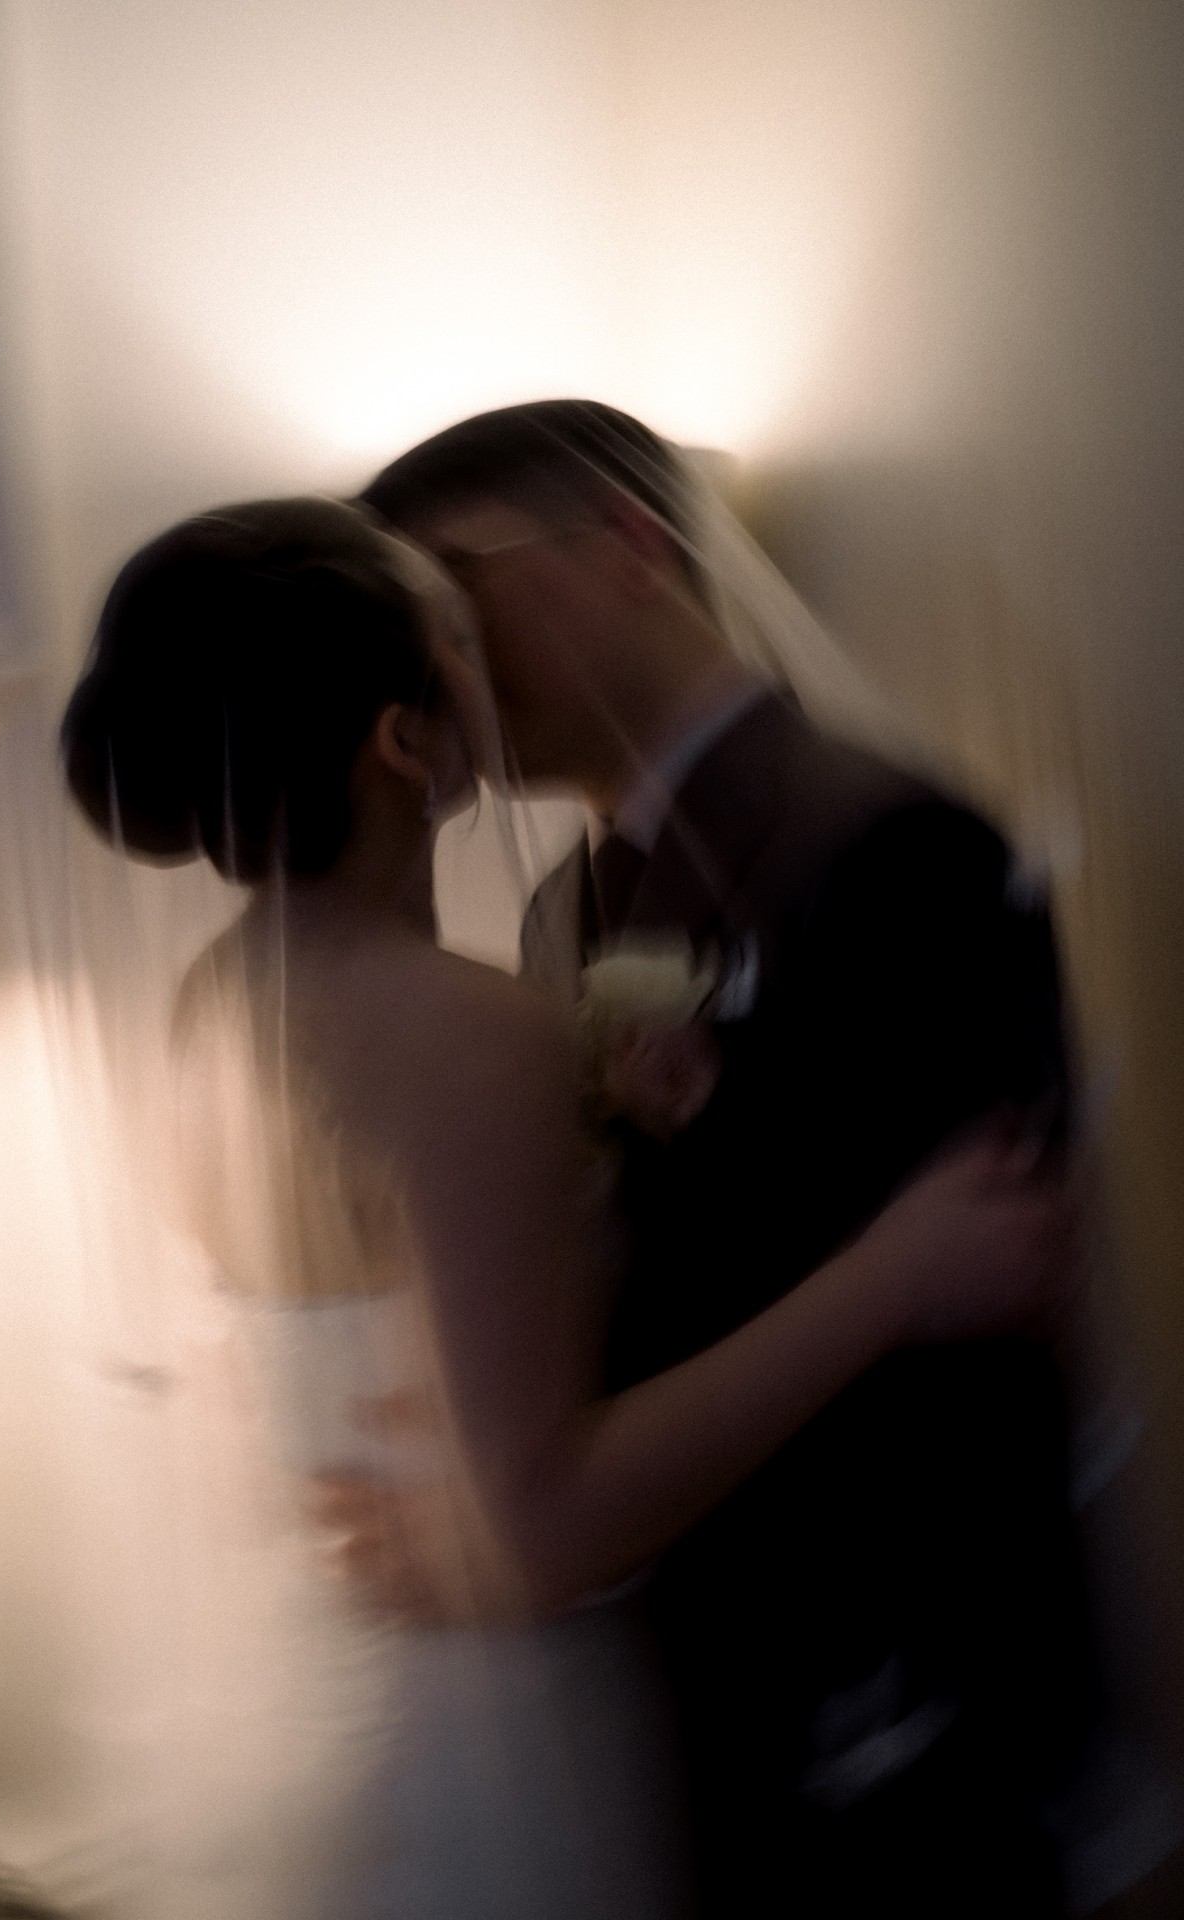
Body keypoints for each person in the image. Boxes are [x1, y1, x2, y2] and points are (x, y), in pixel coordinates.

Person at [60, 493, 1077, 1920]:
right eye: (452, 633)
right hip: (508, 1734)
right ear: (406, 741)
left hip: (352, 1711)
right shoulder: (469, 1032)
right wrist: (892, 1278)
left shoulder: (206, 1008)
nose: (484, 653)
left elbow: (379, 1332)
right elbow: (539, 1526)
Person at [358, 402, 1105, 1917]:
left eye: (461, 593)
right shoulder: (563, 906)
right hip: (693, 1665)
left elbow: (988, 1291)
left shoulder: (895, 845)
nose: (441, 671)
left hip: (885, 1700)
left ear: (632, 544)